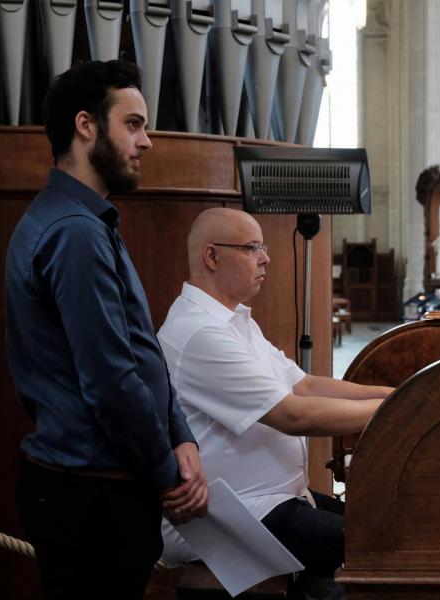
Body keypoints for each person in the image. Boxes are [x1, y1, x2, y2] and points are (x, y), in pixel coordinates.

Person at [5, 60, 208, 599]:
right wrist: (169, 474)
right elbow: (110, 379)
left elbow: (140, 349)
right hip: (89, 493)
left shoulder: (87, 221)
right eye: (134, 124)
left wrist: (180, 434)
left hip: (99, 485)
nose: (147, 141)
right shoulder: (73, 232)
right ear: (86, 126)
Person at [157, 207, 393, 599]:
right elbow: (293, 415)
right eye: (252, 248)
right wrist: (398, 411)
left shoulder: (236, 322)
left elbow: (305, 386)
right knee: (382, 546)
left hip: (277, 501)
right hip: (236, 513)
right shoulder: (198, 332)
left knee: (387, 529)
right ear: (212, 256)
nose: (265, 257)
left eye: (263, 247)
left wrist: (398, 394)